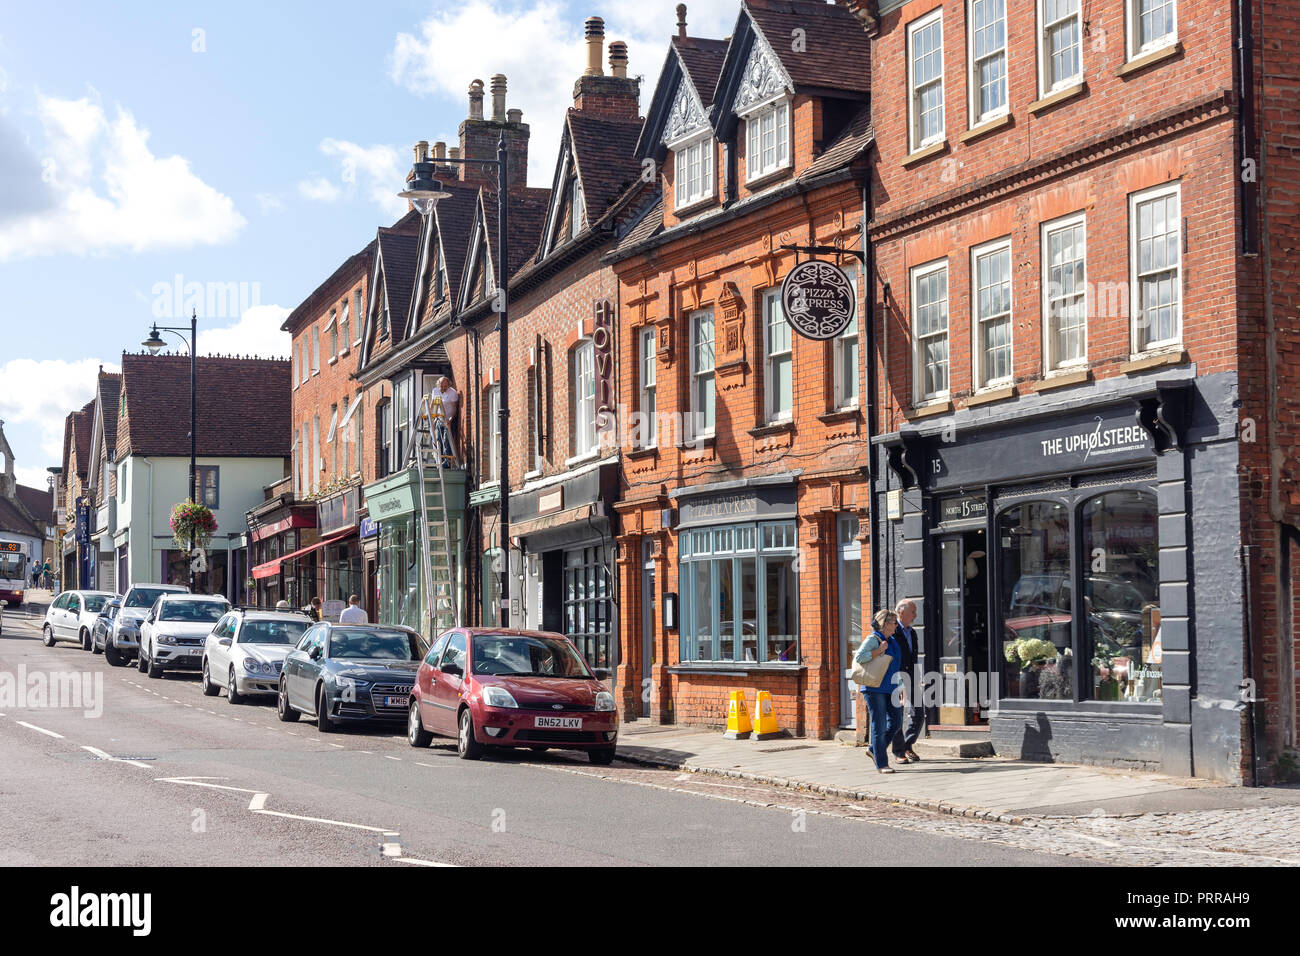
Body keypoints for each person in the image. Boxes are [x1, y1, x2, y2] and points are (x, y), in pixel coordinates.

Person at [856, 608, 904, 774]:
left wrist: (901, 687)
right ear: (885, 624)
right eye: (893, 622)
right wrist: (878, 651)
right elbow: (859, 657)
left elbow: (896, 666)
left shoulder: (893, 641)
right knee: (879, 725)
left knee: (896, 722)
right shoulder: (873, 639)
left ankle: (873, 749)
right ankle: (882, 764)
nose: (896, 625)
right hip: (874, 688)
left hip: (891, 687)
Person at [891, 599, 924, 764]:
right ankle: (898, 752)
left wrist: (918, 678)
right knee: (897, 715)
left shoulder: (912, 632)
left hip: (912, 676)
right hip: (894, 678)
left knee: (918, 714)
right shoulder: (892, 631)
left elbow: (914, 658)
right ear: (902, 613)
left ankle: (906, 744)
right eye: (913, 612)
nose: (916, 615)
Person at [430, 376, 460, 467]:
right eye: (442, 386)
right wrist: (430, 417)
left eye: (445, 386)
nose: (443, 388)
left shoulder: (452, 393)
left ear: (448, 385)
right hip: (439, 419)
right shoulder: (435, 391)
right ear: (438, 385)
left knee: (446, 441)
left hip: (449, 419)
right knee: (438, 440)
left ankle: (446, 464)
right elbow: (432, 405)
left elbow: (455, 408)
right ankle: (439, 462)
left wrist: (450, 420)